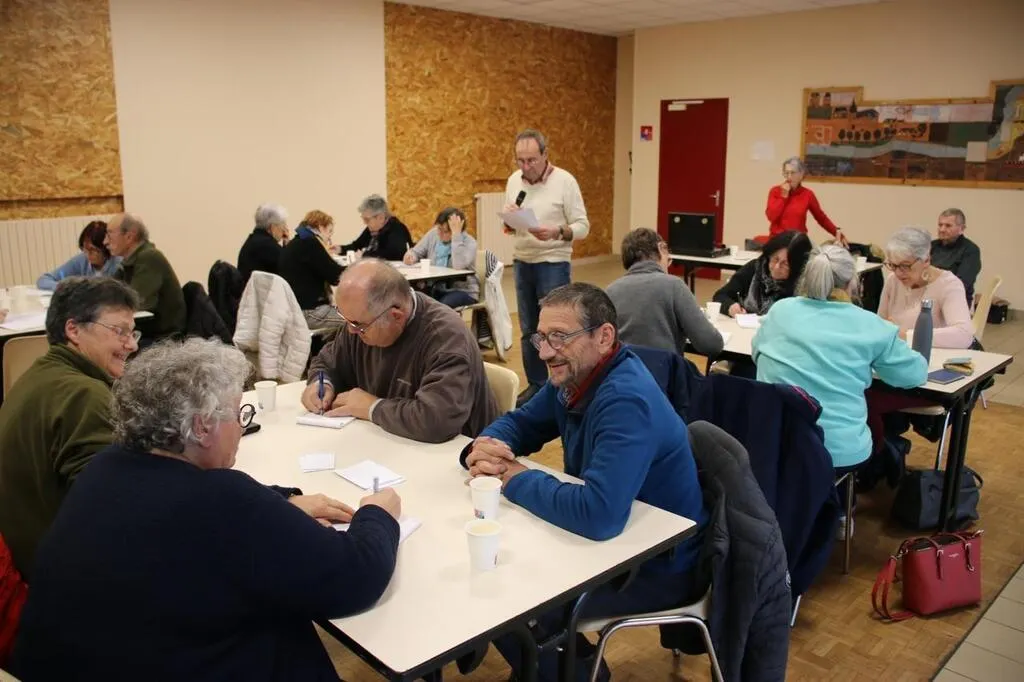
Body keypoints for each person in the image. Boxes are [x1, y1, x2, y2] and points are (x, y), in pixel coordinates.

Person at [10, 338, 401, 680]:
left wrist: (282, 501)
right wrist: (377, 514)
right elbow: (355, 576)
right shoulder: (222, 501)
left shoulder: (105, 467)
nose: (241, 428)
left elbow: (193, 512)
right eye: (237, 414)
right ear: (201, 427)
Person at [462, 283, 706, 682]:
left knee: (506, 593)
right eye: (541, 337)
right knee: (489, 570)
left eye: (559, 337)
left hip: (657, 565)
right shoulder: (575, 376)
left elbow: (598, 515)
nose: (544, 352)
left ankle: (572, 671)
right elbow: (521, 423)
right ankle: (557, 667)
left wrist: (513, 475)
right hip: (611, 544)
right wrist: (485, 447)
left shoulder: (625, 399)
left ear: (604, 337)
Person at [752, 246, 928, 534]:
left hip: (773, 440)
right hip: (838, 451)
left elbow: (756, 354)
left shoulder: (780, 311)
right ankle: (839, 509)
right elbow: (914, 375)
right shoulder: (871, 326)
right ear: (852, 283)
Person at [0, 277, 140, 579]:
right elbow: (113, 509)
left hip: (25, 556)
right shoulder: (84, 395)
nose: (132, 344)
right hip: (56, 576)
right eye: (120, 331)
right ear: (73, 330)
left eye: (132, 332)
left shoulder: (37, 376)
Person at [303, 259, 499, 443]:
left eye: (358, 325)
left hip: (461, 455)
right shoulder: (362, 321)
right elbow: (325, 362)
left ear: (396, 316)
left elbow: (436, 421)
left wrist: (371, 407)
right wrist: (321, 384)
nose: (350, 331)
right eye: (345, 318)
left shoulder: (445, 338)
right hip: (391, 441)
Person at [503, 129, 590, 406]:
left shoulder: (565, 181)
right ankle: (537, 385)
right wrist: (509, 222)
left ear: (545, 155)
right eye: (520, 160)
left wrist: (557, 231)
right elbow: (509, 226)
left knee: (556, 329)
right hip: (522, 260)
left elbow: (583, 226)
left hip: (553, 262)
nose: (525, 166)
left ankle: (561, 385)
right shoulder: (514, 181)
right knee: (529, 329)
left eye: (531, 160)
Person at [606, 227, 723, 357]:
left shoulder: (609, 292)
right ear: (661, 248)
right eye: (668, 258)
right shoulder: (674, 286)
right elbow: (711, 345)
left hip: (623, 368)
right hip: (663, 368)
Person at [879, 226, 975, 349]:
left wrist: (906, 336)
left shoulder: (948, 284)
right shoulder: (893, 280)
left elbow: (964, 335)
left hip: (933, 355)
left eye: (905, 266)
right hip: (898, 352)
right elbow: (880, 323)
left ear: (926, 260)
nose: (898, 273)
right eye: (893, 265)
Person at [105, 213, 186, 341]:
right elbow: (107, 295)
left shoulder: (148, 258)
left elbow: (136, 303)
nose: (105, 242)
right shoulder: (129, 262)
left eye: (109, 235)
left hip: (162, 338)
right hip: (148, 333)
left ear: (129, 236)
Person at [713, 230, 812, 316]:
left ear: (798, 267)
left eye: (785, 264)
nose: (776, 267)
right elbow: (720, 295)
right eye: (775, 259)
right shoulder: (755, 268)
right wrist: (730, 306)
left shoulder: (803, 287)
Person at [278, 209, 345, 330]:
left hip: (297, 309)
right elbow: (335, 276)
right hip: (309, 311)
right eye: (330, 232)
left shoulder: (298, 242)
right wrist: (358, 267)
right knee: (358, 322)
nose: (329, 238)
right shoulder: (310, 243)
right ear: (321, 227)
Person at [402, 206, 479, 308]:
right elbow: (416, 252)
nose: (440, 233)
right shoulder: (434, 234)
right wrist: (411, 256)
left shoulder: (469, 242)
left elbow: (458, 265)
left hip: (463, 291)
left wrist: (456, 236)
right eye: (439, 228)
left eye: (445, 231)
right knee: (412, 300)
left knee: (439, 307)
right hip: (435, 287)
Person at [765, 157, 848, 245]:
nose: (789, 177)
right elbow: (771, 217)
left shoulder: (808, 194)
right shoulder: (775, 191)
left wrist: (838, 234)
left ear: (801, 174)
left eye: (792, 173)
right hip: (778, 241)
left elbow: (821, 218)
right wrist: (783, 197)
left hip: (798, 241)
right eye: (786, 173)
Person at [36, 220, 121, 290]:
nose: (88, 254)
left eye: (92, 249)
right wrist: (60, 287)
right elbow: (44, 279)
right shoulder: (81, 260)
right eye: (84, 248)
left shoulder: (119, 263)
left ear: (105, 247)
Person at [340, 194, 412, 262]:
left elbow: (393, 254)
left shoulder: (397, 229)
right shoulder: (372, 229)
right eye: (363, 219)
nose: (364, 223)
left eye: (367, 219)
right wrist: (341, 249)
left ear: (381, 217)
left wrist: (365, 255)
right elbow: (357, 245)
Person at [930, 208, 982, 304]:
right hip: (929, 296)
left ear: (961, 229)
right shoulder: (931, 246)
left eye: (948, 226)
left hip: (956, 300)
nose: (942, 229)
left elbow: (961, 284)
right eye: (940, 225)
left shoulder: (970, 250)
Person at [237, 202, 290, 284]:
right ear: (272, 227)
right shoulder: (268, 246)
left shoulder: (253, 240)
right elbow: (288, 269)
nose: (285, 230)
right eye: (283, 225)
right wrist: (288, 247)